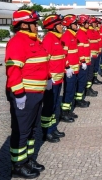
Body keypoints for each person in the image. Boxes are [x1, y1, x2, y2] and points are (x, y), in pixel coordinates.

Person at [5, 9, 49, 178]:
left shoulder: (34, 41)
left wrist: (48, 79)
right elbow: (13, 69)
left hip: (36, 93)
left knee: (32, 129)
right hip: (25, 95)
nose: (36, 26)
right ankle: (17, 165)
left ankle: (27, 159)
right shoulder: (18, 41)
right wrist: (19, 94)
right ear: (24, 24)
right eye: (34, 23)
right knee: (21, 131)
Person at [41, 14, 66, 143]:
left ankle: (53, 127)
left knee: (55, 105)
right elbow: (45, 61)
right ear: (53, 26)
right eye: (60, 24)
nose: (62, 26)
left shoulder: (58, 38)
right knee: (49, 106)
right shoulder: (49, 39)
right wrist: (48, 78)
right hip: (52, 80)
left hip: (59, 79)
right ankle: (46, 131)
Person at [60, 14, 86, 124]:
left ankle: (68, 110)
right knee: (68, 91)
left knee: (72, 91)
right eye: (75, 23)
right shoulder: (66, 36)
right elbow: (63, 54)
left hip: (75, 69)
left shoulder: (73, 35)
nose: (77, 25)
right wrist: (67, 66)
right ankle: (64, 113)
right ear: (69, 25)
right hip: (70, 70)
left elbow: (77, 52)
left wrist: (82, 62)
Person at [76, 15, 98, 100]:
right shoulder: (81, 34)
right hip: (83, 63)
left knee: (88, 77)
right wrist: (83, 61)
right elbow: (80, 49)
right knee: (81, 81)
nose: (89, 24)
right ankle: (79, 99)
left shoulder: (84, 32)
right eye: (87, 23)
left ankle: (88, 90)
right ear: (82, 23)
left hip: (87, 60)